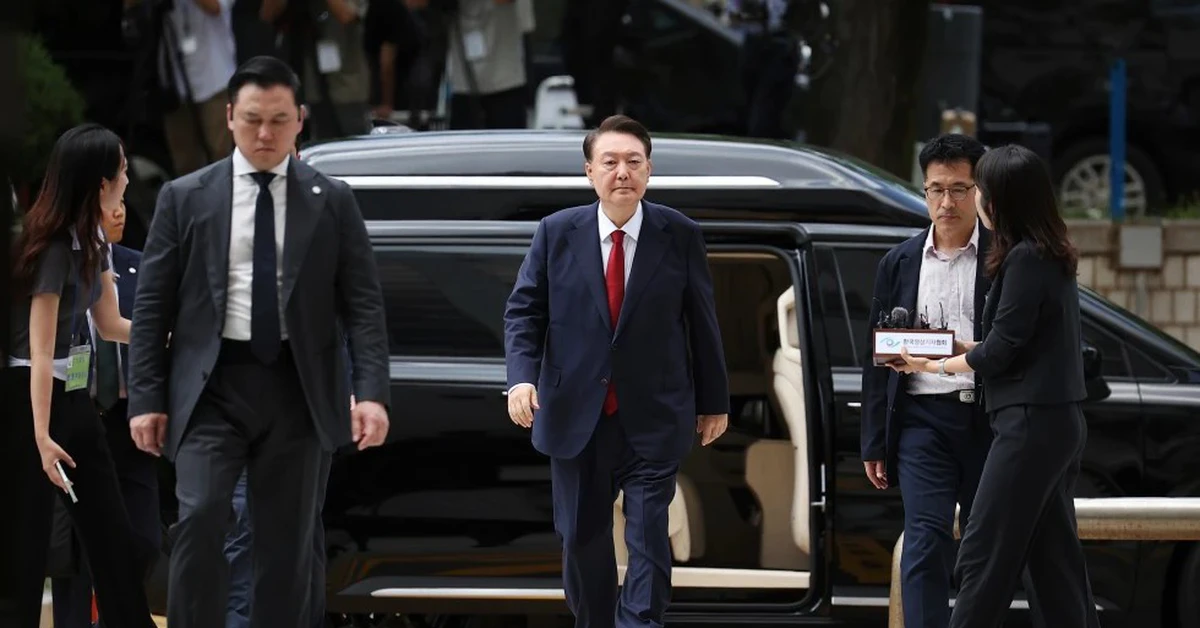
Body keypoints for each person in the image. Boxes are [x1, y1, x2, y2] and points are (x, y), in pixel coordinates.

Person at [126, 55, 391, 628]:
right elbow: (152, 306)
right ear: (229, 117)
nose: (264, 134)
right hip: (212, 386)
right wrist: (145, 398)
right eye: (252, 120)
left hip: (299, 387)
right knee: (200, 518)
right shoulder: (185, 197)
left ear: (300, 120)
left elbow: (363, 306)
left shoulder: (332, 200)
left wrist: (371, 393)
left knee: (285, 543)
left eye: (277, 120)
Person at [503, 114, 730, 628]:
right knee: (581, 538)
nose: (622, 172)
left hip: (653, 412)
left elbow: (702, 322)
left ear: (649, 169)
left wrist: (714, 401)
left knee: (648, 536)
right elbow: (524, 312)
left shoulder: (679, 234)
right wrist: (521, 378)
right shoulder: (557, 232)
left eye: (633, 161)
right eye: (610, 162)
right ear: (590, 171)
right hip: (574, 414)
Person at [892, 144, 1101, 628]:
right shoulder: (1046, 252)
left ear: (1000, 198)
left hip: (1028, 425)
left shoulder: (1025, 259)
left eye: (979, 189)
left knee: (983, 553)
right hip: (1054, 422)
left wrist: (934, 364)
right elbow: (1010, 340)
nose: (976, 199)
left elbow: (999, 353)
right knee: (1053, 561)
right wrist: (950, 348)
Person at [0, 124, 154, 628]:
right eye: (122, 171)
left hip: (71, 394)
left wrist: (170, 338)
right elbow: (40, 352)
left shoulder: (95, 241)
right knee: (26, 546)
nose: (128, 179)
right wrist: (42, 437)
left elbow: (110, 324)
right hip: (29, 398)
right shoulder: (51, 251)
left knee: (113, 536)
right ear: (100, 183)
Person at [860, 133, 992, 628]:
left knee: (985, 544)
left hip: (988, 416)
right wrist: (875, 441)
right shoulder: (899, 262)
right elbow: (875, 354)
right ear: (924, 191)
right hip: (921, 418)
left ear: (979, 192)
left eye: (959, 189)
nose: (946, 202)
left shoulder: (1003, 256)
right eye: (936, 189)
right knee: (924, 537)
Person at [51, 199, 161, 627]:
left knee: (145, 539)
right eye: (109, 203)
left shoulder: (141, 266)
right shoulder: (59, 263)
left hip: (130, 419)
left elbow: (147, 335)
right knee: (75, 551)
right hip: (76, 413)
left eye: (122, 202)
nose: (120, 212)